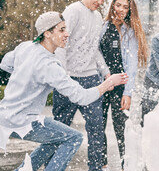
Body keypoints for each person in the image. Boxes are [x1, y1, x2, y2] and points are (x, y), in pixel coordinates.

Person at [0, 12, 128, 171]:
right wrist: (108, 83)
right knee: (74, 138)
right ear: (47, 33)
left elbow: (5, 63)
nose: (67, 34)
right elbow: (82, 97)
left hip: (5, 115)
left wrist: (26, 75)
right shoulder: (50, 66)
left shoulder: (25, 47)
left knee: (55, 139)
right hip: (23, 121)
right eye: (61, 30)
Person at [52, 0, 111, 171]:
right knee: (60, 129)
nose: (100, 2)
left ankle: (95, 168)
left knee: (96, 129)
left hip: (91, 80)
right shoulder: (72, 11)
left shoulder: (97, 17)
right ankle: (53, 167)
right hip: (68, 79)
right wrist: (63, 77)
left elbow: (94, 50)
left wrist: (105, 72)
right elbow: (61, 45)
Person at [99, 0, 148, 170]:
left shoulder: (130, 32)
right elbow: (95, 53)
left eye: (125, 7)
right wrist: (105, 75)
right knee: (98, 126)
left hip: (120, 86)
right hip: (102, 84)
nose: (120, 9)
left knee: (121, 129)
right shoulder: (103, 26)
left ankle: (125, 165)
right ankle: (101, 165)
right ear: (112, 6)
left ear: (129, 11)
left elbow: (132, 65)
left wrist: (128, 93)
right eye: (117, 5)